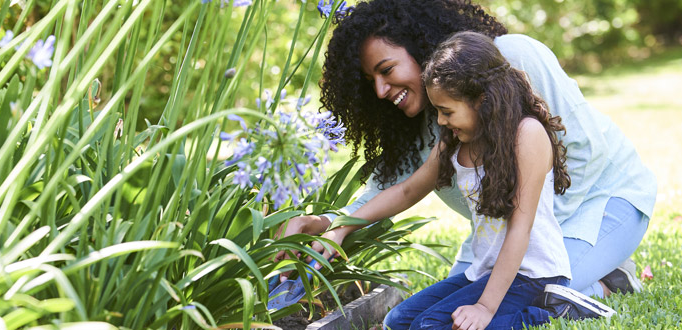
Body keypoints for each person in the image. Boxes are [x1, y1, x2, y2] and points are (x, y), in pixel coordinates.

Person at [275, 0, 655, 302]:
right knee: (458, 303)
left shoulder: (512, 58)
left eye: (387, 70)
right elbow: (392, 189)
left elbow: (587, 152)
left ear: (421, 47)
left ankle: (608, 283)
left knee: (525, 295)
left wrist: (526, 246)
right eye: (371, 80)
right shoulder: (433, 118)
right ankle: (586, 271)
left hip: (605, 201)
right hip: (507, 238)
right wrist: (330, 225)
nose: (380, 90)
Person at [332, 30, 616, 329]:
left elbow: (520, 228)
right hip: (485, 272)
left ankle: (556, 311)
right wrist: (341, 226)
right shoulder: (455, 140)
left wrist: (484, 307)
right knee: (399, 320)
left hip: (532, 274)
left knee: (429, 325)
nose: (440, 121)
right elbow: (407, 191)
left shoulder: (526, 135)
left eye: (446, 111)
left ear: (481, 100)